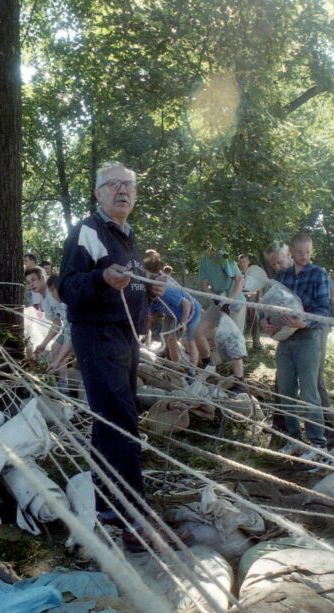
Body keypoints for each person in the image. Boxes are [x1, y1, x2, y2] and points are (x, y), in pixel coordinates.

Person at [58, 161, 182, 551]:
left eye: (128, 185)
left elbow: (128, 291)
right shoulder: (87, 232)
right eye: (112, 185)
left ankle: (109, 508)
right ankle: (133, 518)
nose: (122, 191)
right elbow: (67, 287)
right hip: (97, 336)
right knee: (121, 420)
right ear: (98, 193)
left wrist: (150, 293)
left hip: (124, 337)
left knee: (110, 420)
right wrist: (101, 278)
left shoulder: (128, 237)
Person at [263, 233, 331, 458]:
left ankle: (317, 444)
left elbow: (323, 309)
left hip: (308, 337)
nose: (304, 256)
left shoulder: (318, 274)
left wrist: (305, 321)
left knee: (310, 391)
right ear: (290, 251)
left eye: (308, 252)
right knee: (286, 390)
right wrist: (267, 322)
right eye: (300, 252)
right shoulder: (283, 276)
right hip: (285, 338)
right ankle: (294, 439)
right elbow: (273, 305)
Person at [196, 248, 248, 392]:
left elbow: (239, 279)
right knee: (199, 332)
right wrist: (213, 296)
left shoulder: (223, 256)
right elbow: (205, 284)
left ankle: (240, 382)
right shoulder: (204, 259)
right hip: (218, 302)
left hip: (235, 303)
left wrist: (228, 301)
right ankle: (209, 367)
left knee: (233, 342)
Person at [144, 255, 204, 378]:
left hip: (192, 311)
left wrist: (183, 323)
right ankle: (175, 368)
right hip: (173, 313)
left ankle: (191, 373)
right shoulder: (150, 300)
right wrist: (144, 333)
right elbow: (151, 317)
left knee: (189, 340)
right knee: (171, 339)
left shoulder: (167, 293)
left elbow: (186, 304)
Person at [238, 254, 263, 350]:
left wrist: (258, 299)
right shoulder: (237, 273)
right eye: (240, 262)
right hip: (241, 300)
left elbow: (259, 286)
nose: (242, 264)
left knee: (255, 321)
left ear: (248, 262)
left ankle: (256, 344)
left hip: (252, 300)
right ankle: (241, 345)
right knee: (241, 322)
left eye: (244, 262)